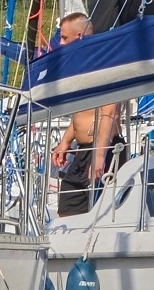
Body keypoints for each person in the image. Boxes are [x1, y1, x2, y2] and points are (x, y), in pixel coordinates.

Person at [48, 11, 119, 217]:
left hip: (102, 148)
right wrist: (65, 141)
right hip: (83, 150)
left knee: (97, 212)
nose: (61, 43)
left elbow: (109, 112)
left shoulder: (102, 66)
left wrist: (99, 154)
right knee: (68, 209)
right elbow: (82, 113)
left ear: (79, 36)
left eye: (64, 37)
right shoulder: (80, 67)